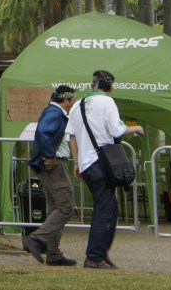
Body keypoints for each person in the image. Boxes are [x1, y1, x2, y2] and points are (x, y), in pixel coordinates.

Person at [65, 70, 144, 270]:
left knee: (110, 207)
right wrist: (136, 129)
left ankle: (101, 252)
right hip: (102, 163)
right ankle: (93, 257)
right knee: (104, 210)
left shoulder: (77, 105)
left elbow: (72, 137)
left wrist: (76, 163)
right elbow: (117, 130)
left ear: (93, 85)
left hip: (87, 164)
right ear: (109, 86)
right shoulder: (107, 102)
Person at [22, 85, 78, 266]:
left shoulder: (54, 112)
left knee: (56, 208)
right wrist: (50, 156)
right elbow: (43, 132)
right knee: (66, 207)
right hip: (54, 165)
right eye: (73, 98)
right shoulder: (55, 112)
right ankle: (36, 239)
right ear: (67, 100)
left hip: (51, 165)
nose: (74, 102)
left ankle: (53, 254)